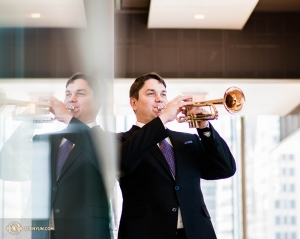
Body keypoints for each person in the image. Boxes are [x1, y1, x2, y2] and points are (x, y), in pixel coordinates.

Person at [117, 72, 236, 239]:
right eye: (151, 94)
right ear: (133, 102)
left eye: (163, 94)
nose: (160, 99)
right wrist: (164, 118)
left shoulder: (188, 140)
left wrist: (204, 128)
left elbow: (226, 169)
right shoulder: (122, 141)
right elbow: (124, 163)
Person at [0, 73, 112, 239]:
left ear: (98, 102)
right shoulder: (46, 141)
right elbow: (7, 169)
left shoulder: (109, 141)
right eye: (68, 94)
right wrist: (28, 123)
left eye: (80, 94)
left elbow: (101, 158)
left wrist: (67, 119)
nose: (71, 99)